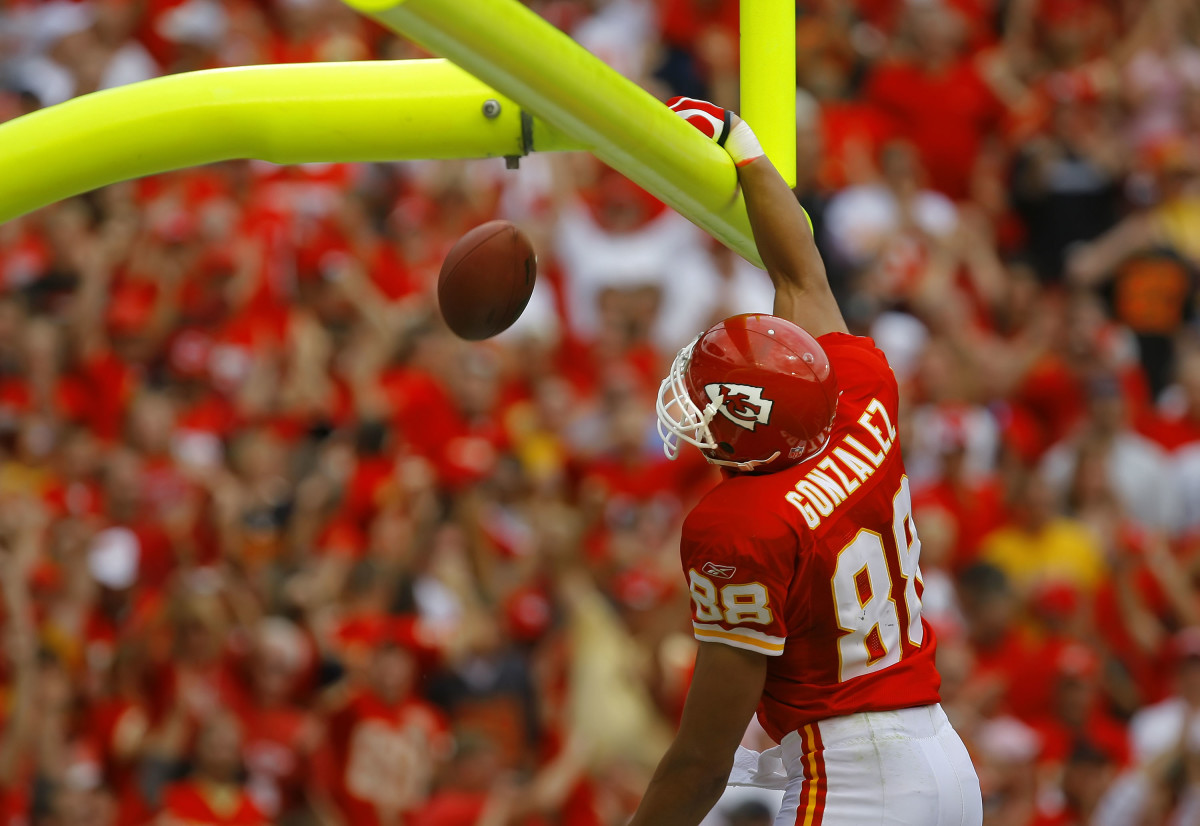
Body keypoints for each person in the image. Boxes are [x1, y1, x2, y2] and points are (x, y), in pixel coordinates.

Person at [632, 98, 983, 826]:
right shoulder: (861, 394)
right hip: (945, 756)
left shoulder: (739, 525)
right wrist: (745, 150)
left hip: (858, 779)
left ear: (746, 435)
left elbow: (704, 756)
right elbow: (803, 274)